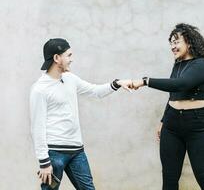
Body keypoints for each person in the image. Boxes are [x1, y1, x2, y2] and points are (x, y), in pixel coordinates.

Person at [30, 38, 132, 190]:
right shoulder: (40, 89)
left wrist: (116, 83)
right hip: (53, 154)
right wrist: (44, 162)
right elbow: (37, 127)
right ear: (57, 58)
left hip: (77, 152)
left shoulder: (70, 79)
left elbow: (95, 91)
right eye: (69, 55)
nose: (72, 59)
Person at [132, 23, 204, 190]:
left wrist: (145, 81)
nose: (173, 46)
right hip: (172, 126)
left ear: (189, 42)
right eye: (171, 43)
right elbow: (173, 94)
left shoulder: (202, 64)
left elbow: (181, 85)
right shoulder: (178, 65)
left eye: (176, 42)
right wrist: (163, 120)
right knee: (169, 179)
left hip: (198, 126)